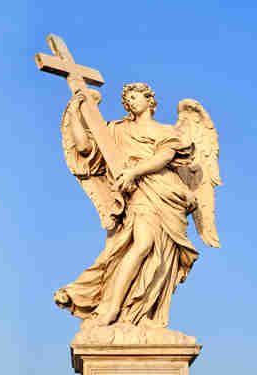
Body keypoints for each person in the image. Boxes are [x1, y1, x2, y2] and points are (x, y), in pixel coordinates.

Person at [54, 83, 198, 329]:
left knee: (159, 254)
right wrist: (76, 112)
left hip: (166, 192)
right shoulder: (116, 130)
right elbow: (85, 148)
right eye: (127, 99)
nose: (131, 101)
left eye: (135, 96)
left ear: (149, 100)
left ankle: (141, 312)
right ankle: (110, 308)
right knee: (142, 244)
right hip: (139, 195)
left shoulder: (167, 131)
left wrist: (134, 171)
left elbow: (164, 157)